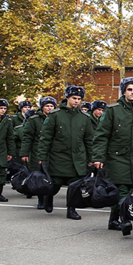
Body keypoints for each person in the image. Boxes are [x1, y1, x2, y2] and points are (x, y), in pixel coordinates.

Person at [92, 77, 133, 233]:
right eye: (129, 89)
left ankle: (114, 219)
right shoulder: (113, 110)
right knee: (121, 190)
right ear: (124, 91)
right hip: (117, 157)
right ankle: (124, 220)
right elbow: (102, 135)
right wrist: (98, 157)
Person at [36, 85, 94, 219]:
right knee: (55, 183)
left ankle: (71, 209)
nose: (76, 101)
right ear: (67, 98)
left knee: (75, 186)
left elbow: (89, 139)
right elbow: (46, 138)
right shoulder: (55, 115)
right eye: (74, 98)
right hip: (58, 156)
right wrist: (42, 156)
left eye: (79, 99)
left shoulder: (84, 118)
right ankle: (48, 197)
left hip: (77, 157)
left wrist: (91, 157)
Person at [20, 96, 56, 209]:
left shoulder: (57, 118)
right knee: (39, 177)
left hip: (54, 153)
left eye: (51, 106)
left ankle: (49, 199)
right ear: (42, 107)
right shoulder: (34, 119)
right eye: (47, 106)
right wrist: (24, 153)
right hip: (37, 151)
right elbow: (27, 138)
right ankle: (41, 200)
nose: (49, 108)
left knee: (52, 177)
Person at [0, 99, 16, 202]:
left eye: (4, 108)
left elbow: (10, 138)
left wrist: (10, 152)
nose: (3, 110)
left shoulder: (7, 121)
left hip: (1, 150)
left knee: (1, 172)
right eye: (0, 108)